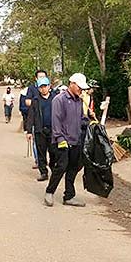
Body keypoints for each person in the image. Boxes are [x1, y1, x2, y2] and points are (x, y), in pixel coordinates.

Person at [45, 72, 91, 207]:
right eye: (79, 87)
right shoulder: (59, 100)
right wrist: (60, 138)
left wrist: (88, 119)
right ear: (71, 84)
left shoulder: (79, 101)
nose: (81, 90)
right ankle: (49, 191)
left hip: (76, 139)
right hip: (62, 140)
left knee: (74, 167)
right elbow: (56, 121)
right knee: (61, 166)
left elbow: (80, 119)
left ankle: (69, 196)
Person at [25, 76, 57, 182]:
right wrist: (29, 131)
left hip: (53, 130)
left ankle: (53, 167)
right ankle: (43, 172)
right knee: (41, 153)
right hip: (40, 130)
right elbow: (31, 116)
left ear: (49, 86)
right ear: (38, 88)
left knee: (53, 152)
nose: (43, 89)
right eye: (41, 87)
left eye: (45, 86)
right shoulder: (35, 100)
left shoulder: (55, 98)